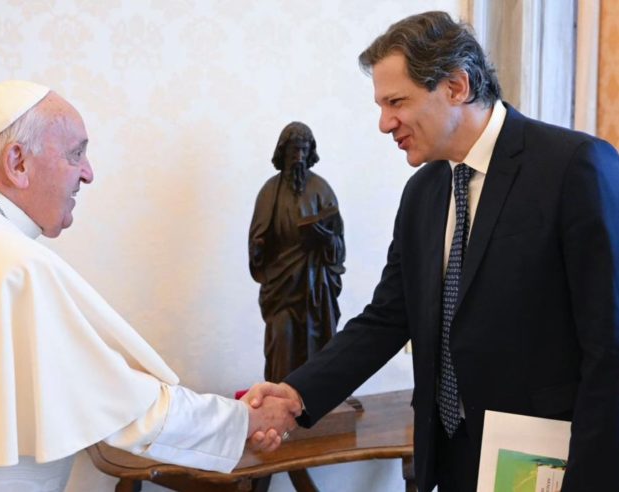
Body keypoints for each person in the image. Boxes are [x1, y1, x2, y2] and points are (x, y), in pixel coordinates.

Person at [0, 80, 299, 492]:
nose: (87, 174)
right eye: (75, 154)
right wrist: (244, 421)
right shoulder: (8, 263)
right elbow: (124, 408)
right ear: (17, 162)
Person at [245, 11, 619, 492]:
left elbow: (609, 348)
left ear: (457, 86)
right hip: (448, 459)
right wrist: (297, 394)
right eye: (380, 106)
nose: (384, 124)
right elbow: (387, 317)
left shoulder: (574, 168)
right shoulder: (422, 192)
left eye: (396, 102)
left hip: (549, 465)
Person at [249, 121, 345, 383]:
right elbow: (257, 239)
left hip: (315, 286)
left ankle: (318, 398)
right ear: (283, 152)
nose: (299, 157)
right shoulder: (270, 192)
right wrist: (258, 248)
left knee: (319, 342)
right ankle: (280, 401)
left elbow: (338, 246)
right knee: (283, 340)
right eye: (293, 150)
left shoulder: (322, 190)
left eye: (303, 150)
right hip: (281, 286)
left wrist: (324, 240)